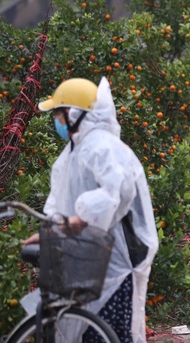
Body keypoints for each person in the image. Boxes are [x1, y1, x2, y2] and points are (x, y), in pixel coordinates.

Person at [22, 77, 159, 342]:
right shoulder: (72, 153)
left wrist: (77, 220)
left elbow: (116, 193)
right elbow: (61, 204)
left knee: (111, 332)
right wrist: (53, 230)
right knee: (89, 330)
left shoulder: (101, 146)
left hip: (120, 259)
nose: (58, 121)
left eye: (60, 114)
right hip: (94, 258)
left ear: (76, 114)